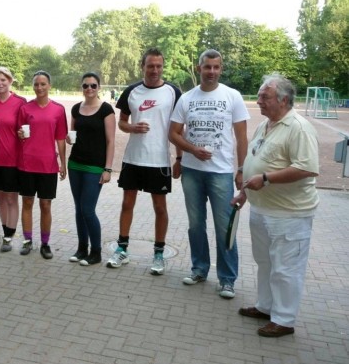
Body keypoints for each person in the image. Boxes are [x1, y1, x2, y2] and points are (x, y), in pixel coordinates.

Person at [232, 73, 319, 337]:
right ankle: (266, 306)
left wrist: (267, 178)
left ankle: (284, 320)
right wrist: (245, 193)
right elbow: (254, 160)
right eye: (259, 95)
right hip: (262, 209)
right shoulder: (266, 125)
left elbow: (307, 168)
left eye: (264, 96)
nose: (258, 101)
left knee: (286, 268)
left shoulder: (298, 128)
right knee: (266, 262)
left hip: (289, 214)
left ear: (283, 100)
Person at [169, 49, 248, 299]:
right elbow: (173, 133)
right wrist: (189, 151)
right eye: (207, 67)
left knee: (224, 226)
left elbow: (242, 137)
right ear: (199, 68)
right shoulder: (187, 99)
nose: (211, 72)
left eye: (216, 67)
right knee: (195, 225)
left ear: (221, 69)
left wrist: (242, 169)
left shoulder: (232, 97)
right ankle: (199, 269)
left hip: (221, 172)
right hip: (193, 171)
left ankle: (227, 279)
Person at [107, 48, 182, 274]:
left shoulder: (173, 92)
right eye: (151, 66)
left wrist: (179, 158)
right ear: (143, 66)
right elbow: (121, 123)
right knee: (127, 204)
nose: (155, 70)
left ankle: (158, 255)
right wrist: (132, 127)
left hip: (158, 160)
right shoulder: (131, 92)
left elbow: (179, 128)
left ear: (162, 66)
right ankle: (122, 250)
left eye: (159, 66)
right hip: (133, 159)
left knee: (160, 207)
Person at [17, 71, 68, 259]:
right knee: (27, 202)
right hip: (27, 163)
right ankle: (27, 240)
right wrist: (21, 134)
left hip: (48, 164)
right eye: (36, 84)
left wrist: (64, 163)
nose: (39, 87)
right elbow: (19, 132)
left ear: (49, 86)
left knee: (46, 205)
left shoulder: (58, 109)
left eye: (43, 84)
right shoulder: (25, 108)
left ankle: (45, 243)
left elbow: (61, 138)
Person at [67, 72, 116, 266]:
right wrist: (69, 139)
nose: (89, 89)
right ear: (82, 87)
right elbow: (72, 136)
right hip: (75, 164)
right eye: (86, 85)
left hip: (95, 167)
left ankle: (96, 252)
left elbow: (111, 141)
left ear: (99, 88)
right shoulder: (75, 109)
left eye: (93, 86)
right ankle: (81, 249)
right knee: (79, 209)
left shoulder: (106, 109)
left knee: (88, 209)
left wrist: (108, 169)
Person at [0, 67, 27, 252]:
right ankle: (5, 230)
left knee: (11, 198)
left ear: (10, 81)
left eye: (3, 80)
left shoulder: (20, 102)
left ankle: (9, 236)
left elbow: (25, 129)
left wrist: (22, 133)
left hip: (13, 158)